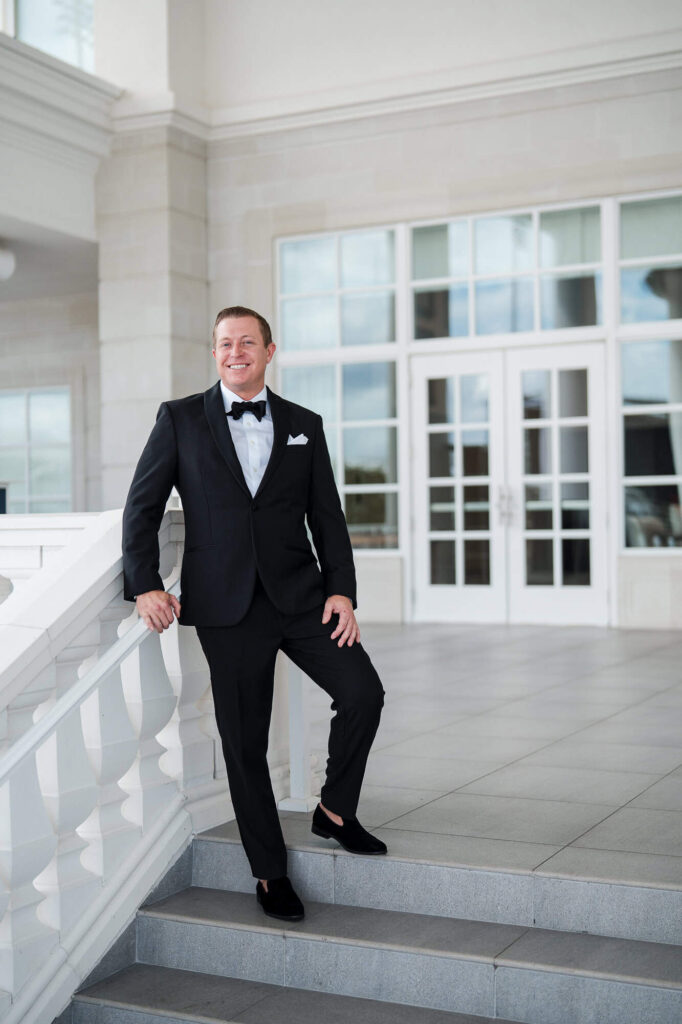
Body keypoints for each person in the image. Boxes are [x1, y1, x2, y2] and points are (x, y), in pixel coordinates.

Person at [122, 305, 387, 922]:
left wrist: (341, 590)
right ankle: (270, 872)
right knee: (246, 744)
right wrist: (144, 585)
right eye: (224, 344)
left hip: (302, 597)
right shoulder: (181, 419)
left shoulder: (304, 424)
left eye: (247, 342)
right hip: (226, 605)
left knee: (363, 693)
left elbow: (328, 517)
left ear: (270, 351)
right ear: (213, 353)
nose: (235, 351)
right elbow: (142, 506)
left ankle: (335, 811)